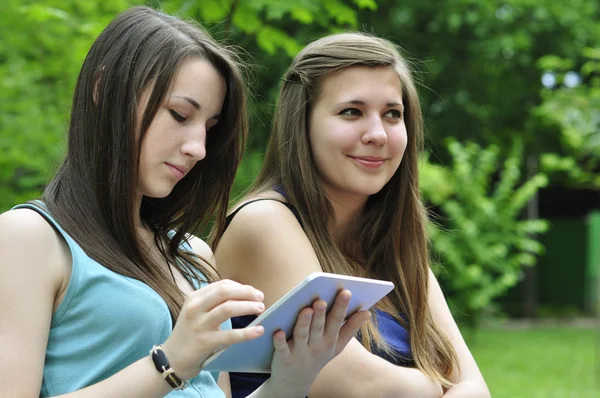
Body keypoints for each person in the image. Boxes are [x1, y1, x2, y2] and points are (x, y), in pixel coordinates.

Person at [0, 7, 370, 398]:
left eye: (209, 128)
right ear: (103, 89)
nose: (198, 148)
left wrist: (293, 376)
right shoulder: (29, 237)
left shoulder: (193, 255)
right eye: (179, 115)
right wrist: (169, 364)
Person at [214, 32, 491, 398]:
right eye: (352, 112)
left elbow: (476, 387)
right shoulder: (264, 222)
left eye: (392, 114)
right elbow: (358, 387)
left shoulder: (395, 249)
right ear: (303, 123)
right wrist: (437, 385)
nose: (377, 133)